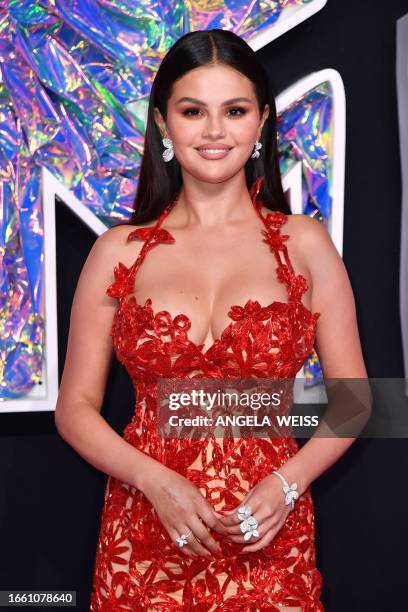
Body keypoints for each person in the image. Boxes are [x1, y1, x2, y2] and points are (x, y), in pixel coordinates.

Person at [55, 29, 368, 611]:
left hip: (266, 533)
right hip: (144, 534)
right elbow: (74, 408)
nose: (216, 131)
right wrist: (156, 482)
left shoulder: (302, 243)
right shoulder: (120, 251)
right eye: (193, 110)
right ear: (162, 123)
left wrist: (286, 483)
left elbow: (355, 398)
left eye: (235, 110)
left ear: (262, 121)